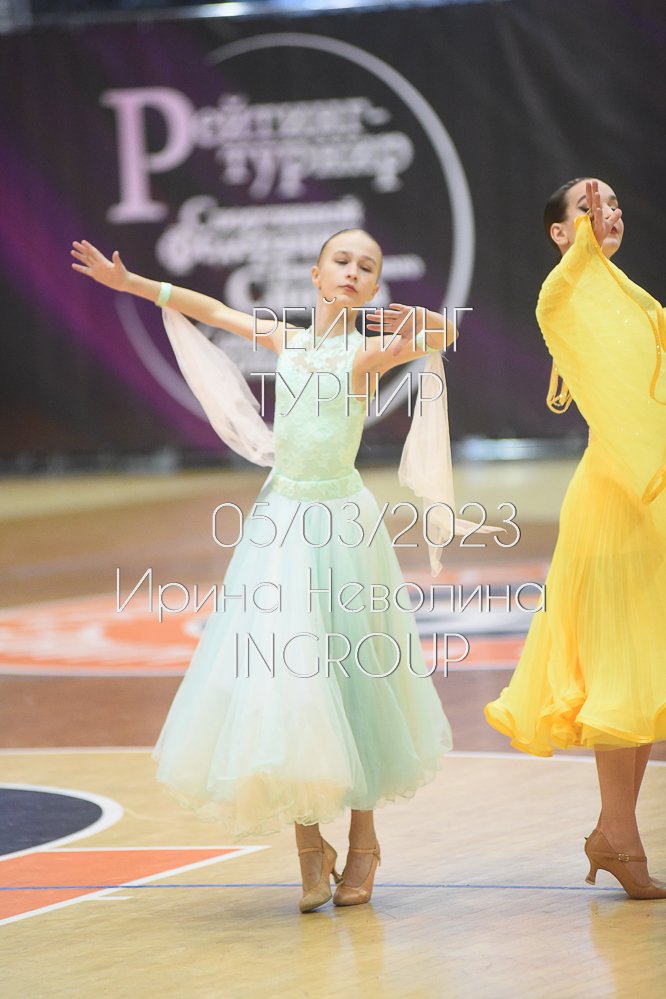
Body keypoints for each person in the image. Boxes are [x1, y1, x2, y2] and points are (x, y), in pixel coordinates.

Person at [71, 228, 454, 911]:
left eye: (366, 267)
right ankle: (309, 848)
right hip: (282, 526)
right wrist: (132, 285)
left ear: (374, 288)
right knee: (287, 683)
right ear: (316, 274)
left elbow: (442, 338)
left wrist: (425, 320)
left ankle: (364, 840)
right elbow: (213, 311)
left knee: (356, 677)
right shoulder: (287, 339)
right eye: (341, 260)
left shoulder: (367, 352)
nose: (352, 271)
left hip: (343, 527)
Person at [484, 179, 666, 900]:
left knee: (642, 670)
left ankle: (614, 833)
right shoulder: (561, 294)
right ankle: (620, 838)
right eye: (589, 209)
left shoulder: (623, 292)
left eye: (614, 205)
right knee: (619, 671)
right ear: (561, 233)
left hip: (648, 496)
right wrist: (584, 240)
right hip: (612, 501)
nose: (607, 214)